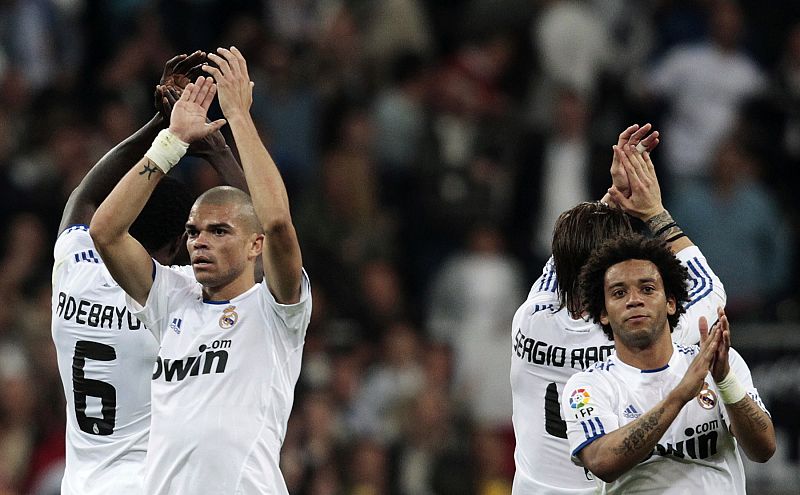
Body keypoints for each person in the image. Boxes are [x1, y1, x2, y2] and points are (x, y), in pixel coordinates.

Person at [89, 47, 311, 494]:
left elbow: (277, 222)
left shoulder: (277, 310)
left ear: (255, 246)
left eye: (219, 231)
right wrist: (171, 141)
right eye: (193, 232)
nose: (200, 241)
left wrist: (238, 116)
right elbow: (105, 232)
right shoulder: (172, 297)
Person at [51, 51, 245, 494]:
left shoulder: (75, 267)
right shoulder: (178, 296)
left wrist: (161, 124)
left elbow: (85, 195)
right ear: (179, 244)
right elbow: (260, 232)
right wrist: (215, 149)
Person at [510, 125, 726, 494]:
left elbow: (570, 253)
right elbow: (711, 291)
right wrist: (655, 212)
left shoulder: (530, 317)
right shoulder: (635, 330)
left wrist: (612, 197)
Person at [563, 235, 775, 493]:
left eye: (647, 289)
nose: (634, 300)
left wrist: (725, 381)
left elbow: (764, 449)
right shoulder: (587, 386)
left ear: (671, 303)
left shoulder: (717, 363)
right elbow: (602, 462)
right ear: (603, 313)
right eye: (619, 293)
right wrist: (679, 396)